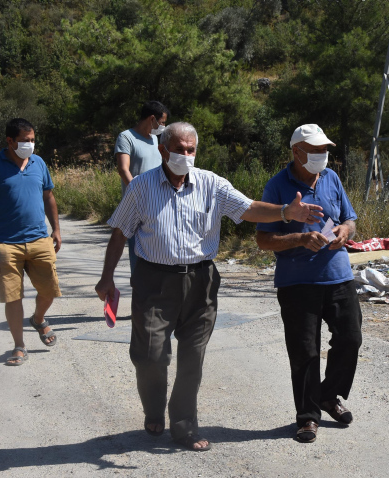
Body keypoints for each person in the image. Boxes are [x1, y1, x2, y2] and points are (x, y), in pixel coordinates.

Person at [94, 122, 323, 452]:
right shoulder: (141, 188)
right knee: (150, 355)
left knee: (193, 356)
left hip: (201, 281)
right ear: (162, 150)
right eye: (178, 149)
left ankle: (184, 424)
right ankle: (154, 407)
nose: (185, 155)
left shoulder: (212, 184)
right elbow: (120, 234)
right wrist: (107, 277)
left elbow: (248, 208)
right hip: (153, 282)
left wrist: (286, 211)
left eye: (190, 150)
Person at [256, 124, 362, 443]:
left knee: (350, 338)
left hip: (338, 274)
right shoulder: (277, 186)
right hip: (297, 282)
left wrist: (345, 231)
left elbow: (350, 219)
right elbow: (263, 239)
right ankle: (307, 417)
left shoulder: (332, 179)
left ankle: (329, 397)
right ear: (296, 151)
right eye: (314, 150)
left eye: (324, 149)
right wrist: (301, 238)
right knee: (304, 350)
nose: (321, 155)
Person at [0, 118, 62, 366]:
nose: (29, 145)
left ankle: (38, 319)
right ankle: (19, 346)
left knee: (50, 290)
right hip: (5, 243)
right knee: (13, 296)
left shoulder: (39, 162)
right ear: (10, 141)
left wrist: (57, 229)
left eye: (32, 140)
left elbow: (48, 196)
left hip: (39, 238)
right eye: (24, 141)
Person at [115, 100, 169, 274]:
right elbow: (123, 169)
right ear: (152, 119)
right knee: (138, 256)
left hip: (158, 204)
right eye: (162, 122)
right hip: (137, 206)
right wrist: (138, 194)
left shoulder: (155, 139)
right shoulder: (126, 137)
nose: (163, 126)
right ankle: (140, 292)